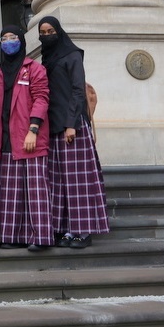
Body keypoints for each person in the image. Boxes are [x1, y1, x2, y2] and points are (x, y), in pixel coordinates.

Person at [38, 16, 109, 248]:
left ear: (59, 31)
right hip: (54, 128)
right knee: (59, 181)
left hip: (72, 127)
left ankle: (83, 230)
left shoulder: (72, 55)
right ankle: (66, 229)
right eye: (43, 32)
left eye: (51, 31)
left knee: (78, 181)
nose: (47, 35)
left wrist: (71, 124)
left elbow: (78, 90)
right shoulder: (46, 59)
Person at [0, 25, 52, 252]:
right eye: (3, 38)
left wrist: (33, 129)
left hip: (29, 136)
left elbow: (42, 98)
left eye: (12, 37)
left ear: (21, 41)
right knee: (9, 190)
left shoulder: (35, 69)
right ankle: (9, 235)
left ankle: (40, 237)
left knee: (36, 189)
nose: (8, 42)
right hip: (4, 137)